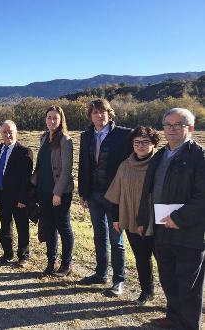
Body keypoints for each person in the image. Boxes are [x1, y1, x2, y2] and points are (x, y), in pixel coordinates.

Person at [137, 108, 205, 330]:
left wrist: (179, 218)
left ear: (190, 128)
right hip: (160, 227)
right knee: (168, 277)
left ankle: (188, 325)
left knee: (188, 283)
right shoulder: (160, 155)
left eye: (178, 125)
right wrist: (143, 218)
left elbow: (202, 196)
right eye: (167, 124)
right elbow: (148, 190)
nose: (172, 129)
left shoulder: (199, 156)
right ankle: (173, 317)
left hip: (188, 231)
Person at [77, 98, 132, 297]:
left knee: (116, 239)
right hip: (93, 195)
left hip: (115, 197)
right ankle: (101, 273)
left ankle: (118, 281)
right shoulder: (86, 136)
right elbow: (84, 164)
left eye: (102, 112)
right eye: (94, 112)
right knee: (99, 236)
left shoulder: (124, 135)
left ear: (109, 113)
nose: (99, 116)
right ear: (90, 116)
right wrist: (82, 193)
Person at [104, 126, 160, 305]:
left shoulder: (160, 164)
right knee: (141, 258)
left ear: (153, 144)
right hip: (131, 220)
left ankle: (176, 300)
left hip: (156, 222)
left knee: (164, 261)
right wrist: (115, 218)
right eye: (137, 142)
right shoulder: (125, 165)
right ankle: (147, 291)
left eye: (145, 142)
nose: (141, 146)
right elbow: (116, 193)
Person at [31, 106, 74, 276]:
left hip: (59, 192)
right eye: (49, 117)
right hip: (43, 190)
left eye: (55, 118)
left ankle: (66, 264)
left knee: (63, 227)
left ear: (61, 120)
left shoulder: (65, 140)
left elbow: (67, 169)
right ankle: (51, 262)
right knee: (49, 227)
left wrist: (58, 193)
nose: (52, 121)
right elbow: (41, 165)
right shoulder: (43, 138)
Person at [0, 120, 33, 267]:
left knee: (22, 226)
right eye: (4, 132)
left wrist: (23, 198)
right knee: (5, 225)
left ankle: (23, 255)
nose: (8, 134)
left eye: (10, 131)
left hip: (18, 197)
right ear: (0, 133)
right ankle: (7, 253)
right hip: (1, 194)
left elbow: (26, 179)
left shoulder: (24, 151)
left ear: (16, 132)